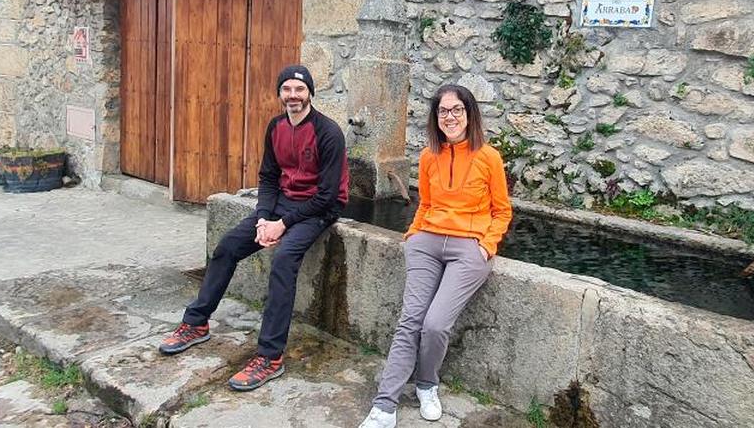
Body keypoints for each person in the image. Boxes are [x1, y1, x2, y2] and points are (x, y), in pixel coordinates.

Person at [158, 64, 349, 392]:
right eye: (287, 89)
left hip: (319, 211)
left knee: (284, 260)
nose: (293, 96)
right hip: (280, 207)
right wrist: (263, 218)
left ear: (310, 94)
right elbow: (268, 178)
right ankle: (196, 323)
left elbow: (328, 196)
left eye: (299, 90)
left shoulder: (328, 133)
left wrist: (282, 224)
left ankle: (270, 356)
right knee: (227, 247)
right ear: (279, 94)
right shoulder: (275, 127)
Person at [359, 84, 512, 427]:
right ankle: (384, 407)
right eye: (443, 111)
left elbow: (502, 212)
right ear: (435, 117)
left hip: (469, 248)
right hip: (426, 242)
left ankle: (427, 384)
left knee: (435, 324)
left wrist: (487, 245)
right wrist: (414, 233)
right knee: (409, 321)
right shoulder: (429, 156)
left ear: (469, 113)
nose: (450, 117)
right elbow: (425, 203)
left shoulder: (489, 157)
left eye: (457, 109)